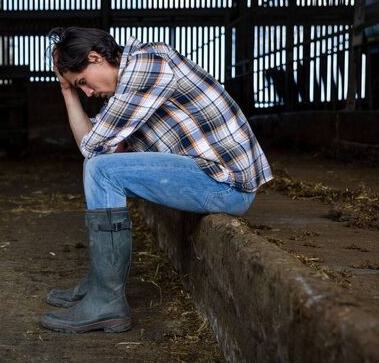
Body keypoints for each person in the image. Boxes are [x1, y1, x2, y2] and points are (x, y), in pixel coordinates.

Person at [41, 26, 273, 334]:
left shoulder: (147, 67)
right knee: (100, 166)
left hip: (225, 184)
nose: (88, 93)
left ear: (95, 58)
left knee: (102, 171)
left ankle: (107, 300)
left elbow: (91, 147)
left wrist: (75, 101)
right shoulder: (128, 87)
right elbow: (95, 145)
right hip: (207, 176)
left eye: (82, 82)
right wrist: (66, 90)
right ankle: (100, 285)